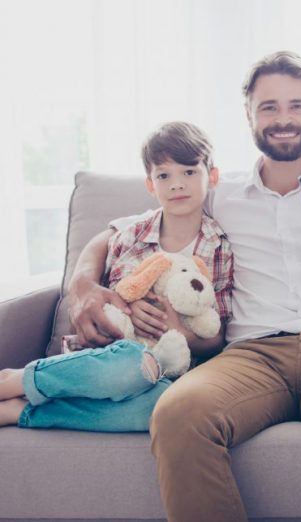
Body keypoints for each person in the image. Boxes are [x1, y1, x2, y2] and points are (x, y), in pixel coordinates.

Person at [64, 51, 301, 522]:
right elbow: (114, 232)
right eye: (268, 107)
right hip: (251, 355)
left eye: (297, 105)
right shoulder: (219, 191)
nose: (284, 119)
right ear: (248, 114)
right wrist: (82, 285)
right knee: (176, 414)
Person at [0, 121, 233, 431]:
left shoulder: (219, 248)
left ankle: (21, 410)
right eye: (164, 175)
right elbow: (110, 295)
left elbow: (219, 337)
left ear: (212, 177)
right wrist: (126, 307)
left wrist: (181, 332)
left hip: (171, 368)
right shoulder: (131, 234)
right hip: (115, 355)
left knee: (159, 409)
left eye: (189, 172)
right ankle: (14, 381)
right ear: (151, 185)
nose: (177, 184)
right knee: (131, 366)